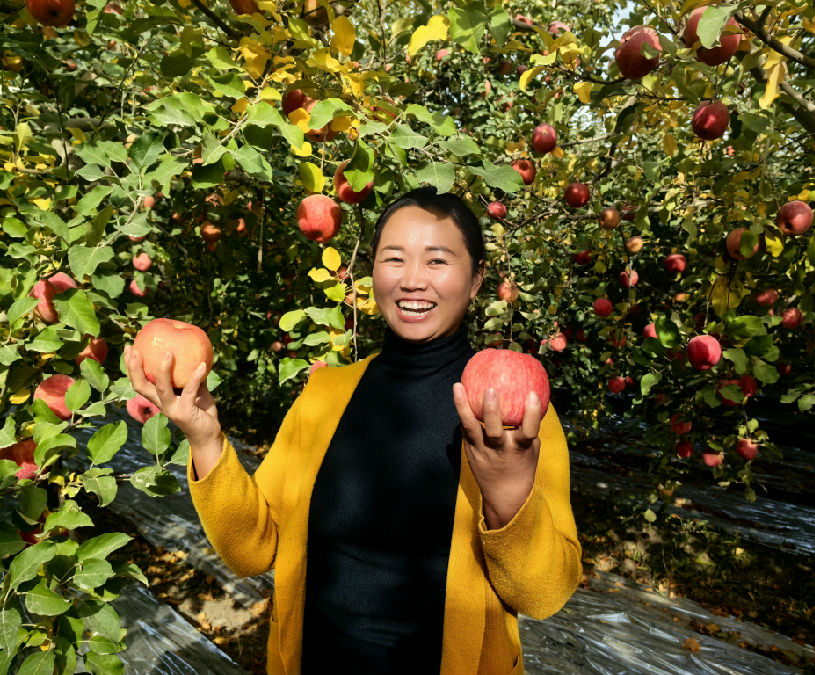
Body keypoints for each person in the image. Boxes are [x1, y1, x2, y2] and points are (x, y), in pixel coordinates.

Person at [123, 187, 582, 675]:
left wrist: (508, 495)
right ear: (372, 272)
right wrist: (205, 437)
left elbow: (544, 594)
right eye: (394, 258)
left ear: (476, 280)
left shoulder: (513, 418)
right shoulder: (326, 395)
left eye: (437, 261)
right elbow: (252, 550)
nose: (411, 280)